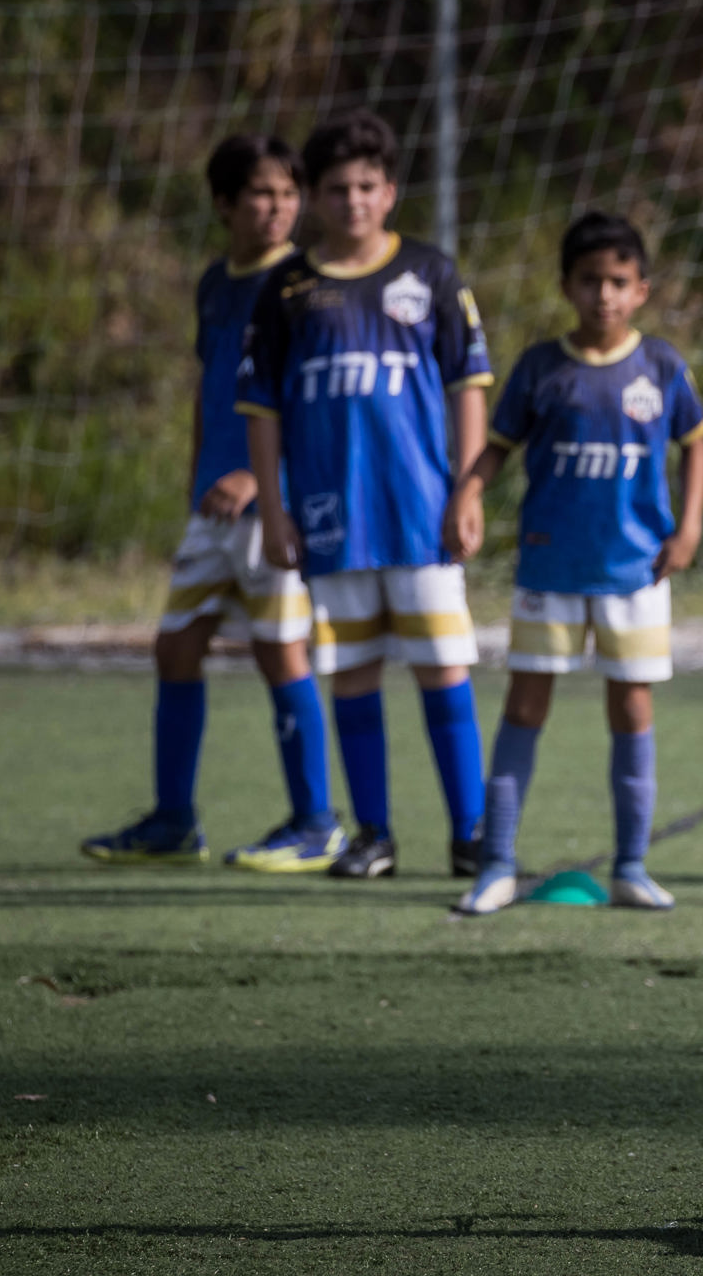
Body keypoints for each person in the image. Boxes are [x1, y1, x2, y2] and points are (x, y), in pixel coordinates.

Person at [237, 110, 494, 878]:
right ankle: (374, 835)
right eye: (339, 188)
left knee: (442, 666)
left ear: (390, 192)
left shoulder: (432, 274)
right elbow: (261, 408)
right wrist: (276, 511)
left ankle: (472, 833)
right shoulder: (288, 290)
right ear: (314, 196)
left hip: (420, 514)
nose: (354, 201)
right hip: (329, 516)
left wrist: (468, 490)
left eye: (368, 186)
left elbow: (469, 386)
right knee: (351, 671)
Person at [444, 212, 703, 915]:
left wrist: (689, 526)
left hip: (636, 571)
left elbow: (697, 444)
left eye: (618, 281)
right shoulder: (541, 367)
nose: (604, 294)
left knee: (631, 707)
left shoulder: (662, 367)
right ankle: (495, 863)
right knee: (525, 706)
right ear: (567, 286)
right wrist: (469, 492)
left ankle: (631, 866)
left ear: (642, 290)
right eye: (590, 280)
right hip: (548, 569)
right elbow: (498, 447)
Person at [81, 134, 337, 867]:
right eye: (262, 194)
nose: (278, 208)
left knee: (280, 651)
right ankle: (172, 821)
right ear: (224, 204)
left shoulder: (304, 285)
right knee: (176, 647)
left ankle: (316, 821)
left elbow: (311, 399)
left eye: (289, 194)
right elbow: (210, 387)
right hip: (214, 505)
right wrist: (200, 479)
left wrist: (263, 478)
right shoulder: (216, 283)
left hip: (271, 502)